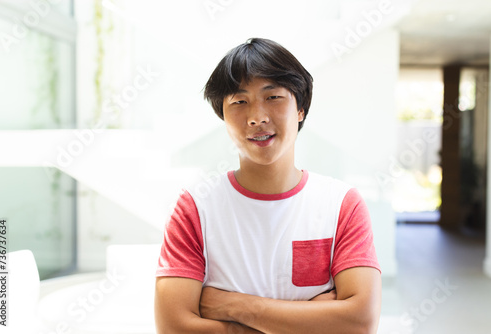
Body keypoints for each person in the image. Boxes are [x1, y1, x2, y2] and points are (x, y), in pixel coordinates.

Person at [154, 37, 382, 334]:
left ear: (300, 109)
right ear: (223, 115)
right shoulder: (196, 207)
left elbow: (360, 323)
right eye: (239, 102)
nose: (257, 117)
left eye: (273, 97)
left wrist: (231, 307)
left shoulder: (341, 204)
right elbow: (174, 327)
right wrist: (313, 319)